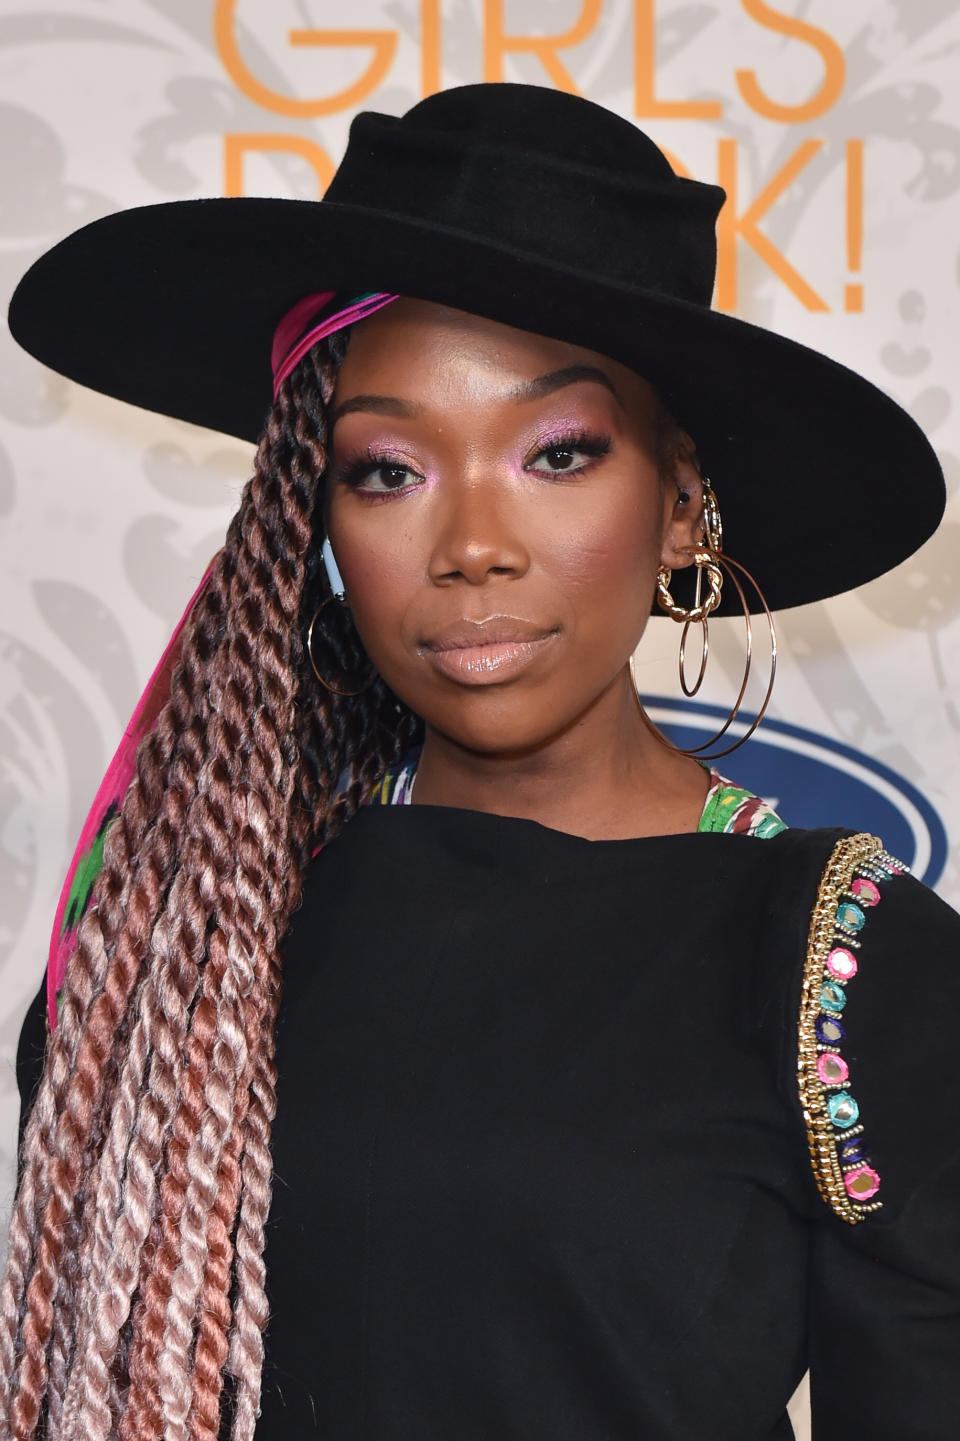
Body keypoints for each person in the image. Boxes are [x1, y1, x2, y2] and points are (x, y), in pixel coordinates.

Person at [3, 82, 958, 1441]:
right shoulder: (184, 947)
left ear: (682, 506)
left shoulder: (849, 968)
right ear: (312, 516)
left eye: (557, 453)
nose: (473, 544)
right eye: (387, 469)